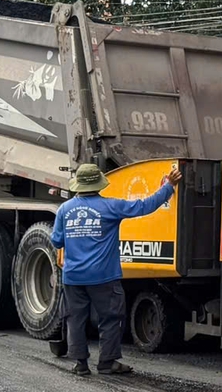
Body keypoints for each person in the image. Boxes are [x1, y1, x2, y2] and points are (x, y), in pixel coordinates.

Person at [51, 161, 181, 377]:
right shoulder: (110, 206)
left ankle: (80, 364)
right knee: (110, 319)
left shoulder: (65, 209)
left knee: (75, 319)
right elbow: (144, 206)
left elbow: (56, 241)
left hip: (73, 277)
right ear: (99, 185)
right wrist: (168, 186)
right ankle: (107, 363)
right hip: (103, 277)